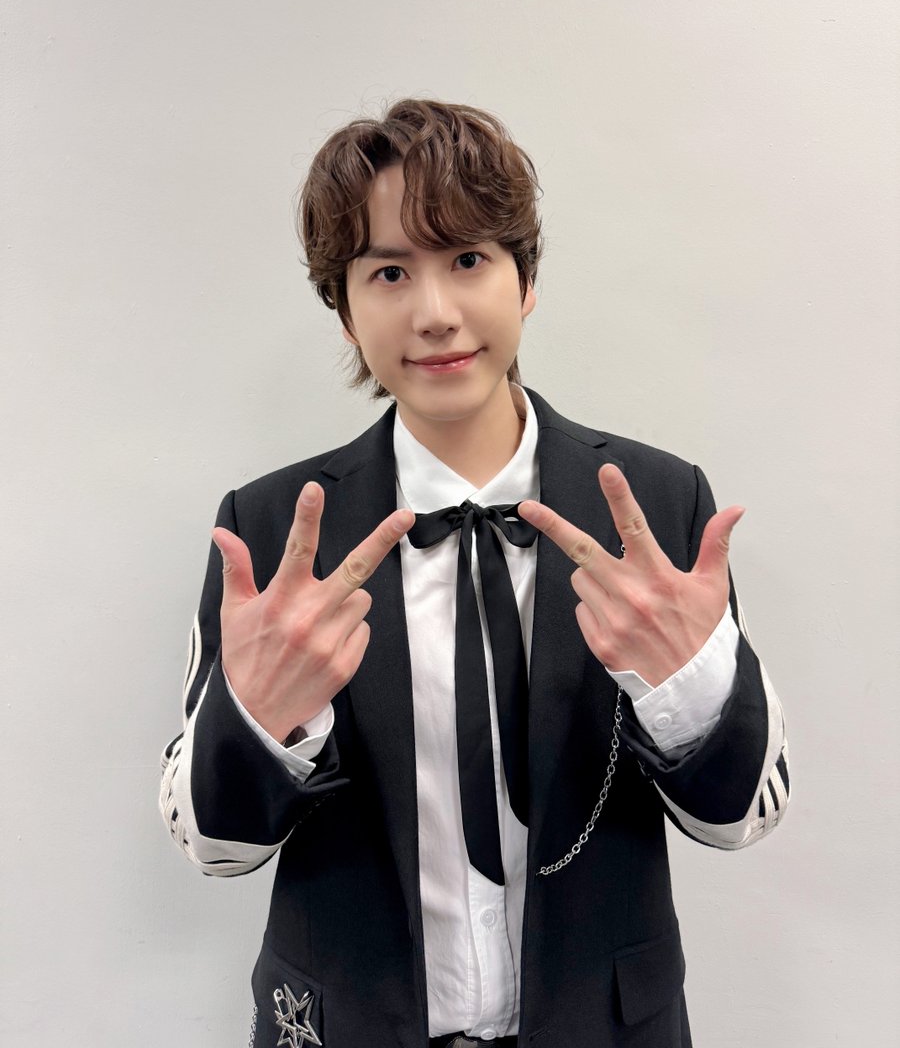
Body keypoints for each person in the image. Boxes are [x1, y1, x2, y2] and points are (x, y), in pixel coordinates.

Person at [160, 99, 789, 1048]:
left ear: (524, 280)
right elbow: (215, 849)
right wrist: (257, 722)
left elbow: (741, 819)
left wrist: (692, 692)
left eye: (467, 259)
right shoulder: (274, 531)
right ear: (345, 310)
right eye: (388, 273)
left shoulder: (657, 505)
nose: (435, 313)